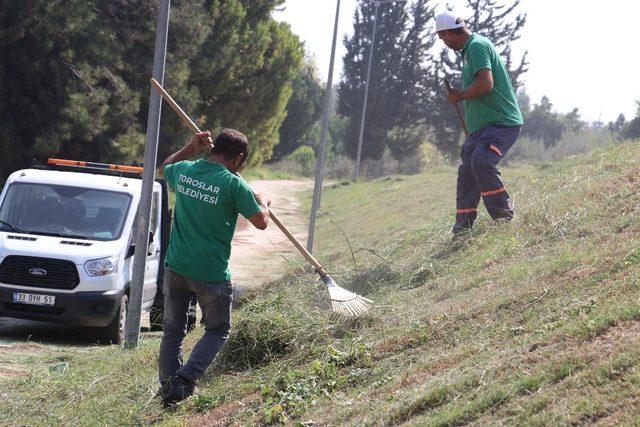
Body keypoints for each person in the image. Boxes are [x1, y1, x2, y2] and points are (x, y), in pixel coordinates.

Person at [157, 128, 271, 406]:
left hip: (176, 267)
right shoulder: (234, 185)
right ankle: (184, 381)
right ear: (239, 158)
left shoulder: (185, 170)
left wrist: (190, 148)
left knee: (173, 330)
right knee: (218, 330)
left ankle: (170, 388)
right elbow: (261, 222)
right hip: (210, 274)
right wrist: (264, 203)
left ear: (213, 148)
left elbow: (165, 167)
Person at [435, 11, 524, 235]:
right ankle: (462, 228)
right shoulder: (468, 52)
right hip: (481, 129)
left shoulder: (476, 46)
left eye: (441, 37)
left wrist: (460, 96)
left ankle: (504, 216)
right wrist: (461, 95)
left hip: (501, 123)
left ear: (448, 33)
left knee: (482, 162)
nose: (443, 43)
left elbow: (486, 84)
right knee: (467, 172)